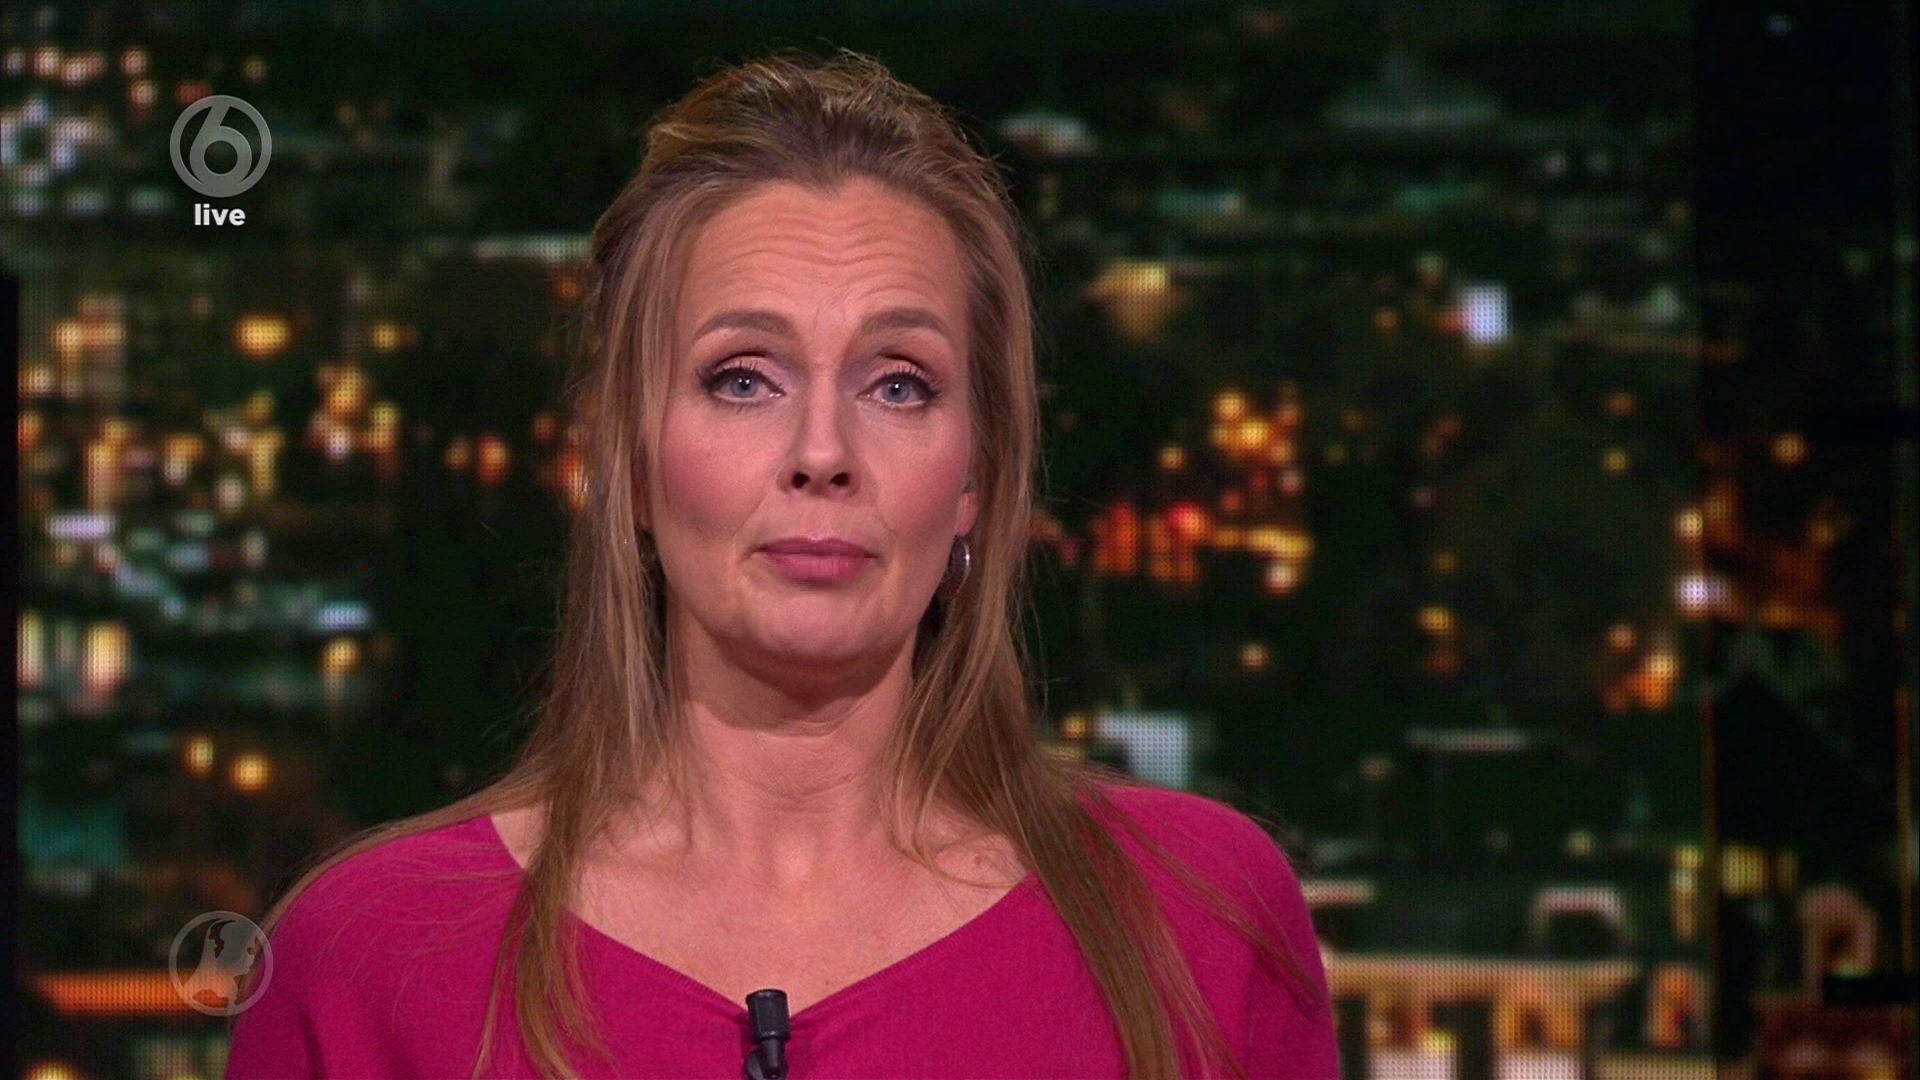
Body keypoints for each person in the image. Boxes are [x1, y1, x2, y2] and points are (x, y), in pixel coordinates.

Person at [223, 46, 1338, 1080]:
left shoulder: (1202, 919)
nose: (822, 453)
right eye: (744, 379)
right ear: (627, 459)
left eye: (898, 384)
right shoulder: (370, 957)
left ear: (977, 476)